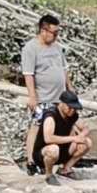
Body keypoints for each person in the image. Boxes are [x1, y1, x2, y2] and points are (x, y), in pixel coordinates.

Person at [21, 14, 73, 165]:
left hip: (60, 97)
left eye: (58, 33)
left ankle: (56, 157)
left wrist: (70, 87)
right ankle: (31, 159)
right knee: (37, 126)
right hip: (43, 95)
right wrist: (32, 96)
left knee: (60, 126)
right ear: (43, 30)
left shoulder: (57, 47)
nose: (56, 37)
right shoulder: (31, 48)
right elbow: (28, 74)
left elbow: (64, 69)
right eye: (54, 33)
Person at [33, 91, 92, 185]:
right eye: (70, 108)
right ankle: (49, 175)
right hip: (44, 152)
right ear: (62, 104)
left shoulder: (72, 116)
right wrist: (73, 139)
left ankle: (66, 169)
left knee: (87, 142)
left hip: (64, 150)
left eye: (74, 109)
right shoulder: (51, 116)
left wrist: (81, 136)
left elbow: (85, 128)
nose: (72, 111)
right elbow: (48, 139)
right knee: (53, 149)